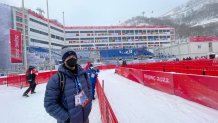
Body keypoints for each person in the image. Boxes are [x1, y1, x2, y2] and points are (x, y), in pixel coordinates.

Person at [44, 47, 92, 123]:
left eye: (73, 56)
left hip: (85, 119)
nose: (72, 58)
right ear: (64, 60)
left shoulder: (83, 74)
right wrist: (67, 118)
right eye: (69, 57)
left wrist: (88, 107)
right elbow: (50, 105)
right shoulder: (56, 79)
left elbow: (89, 90)